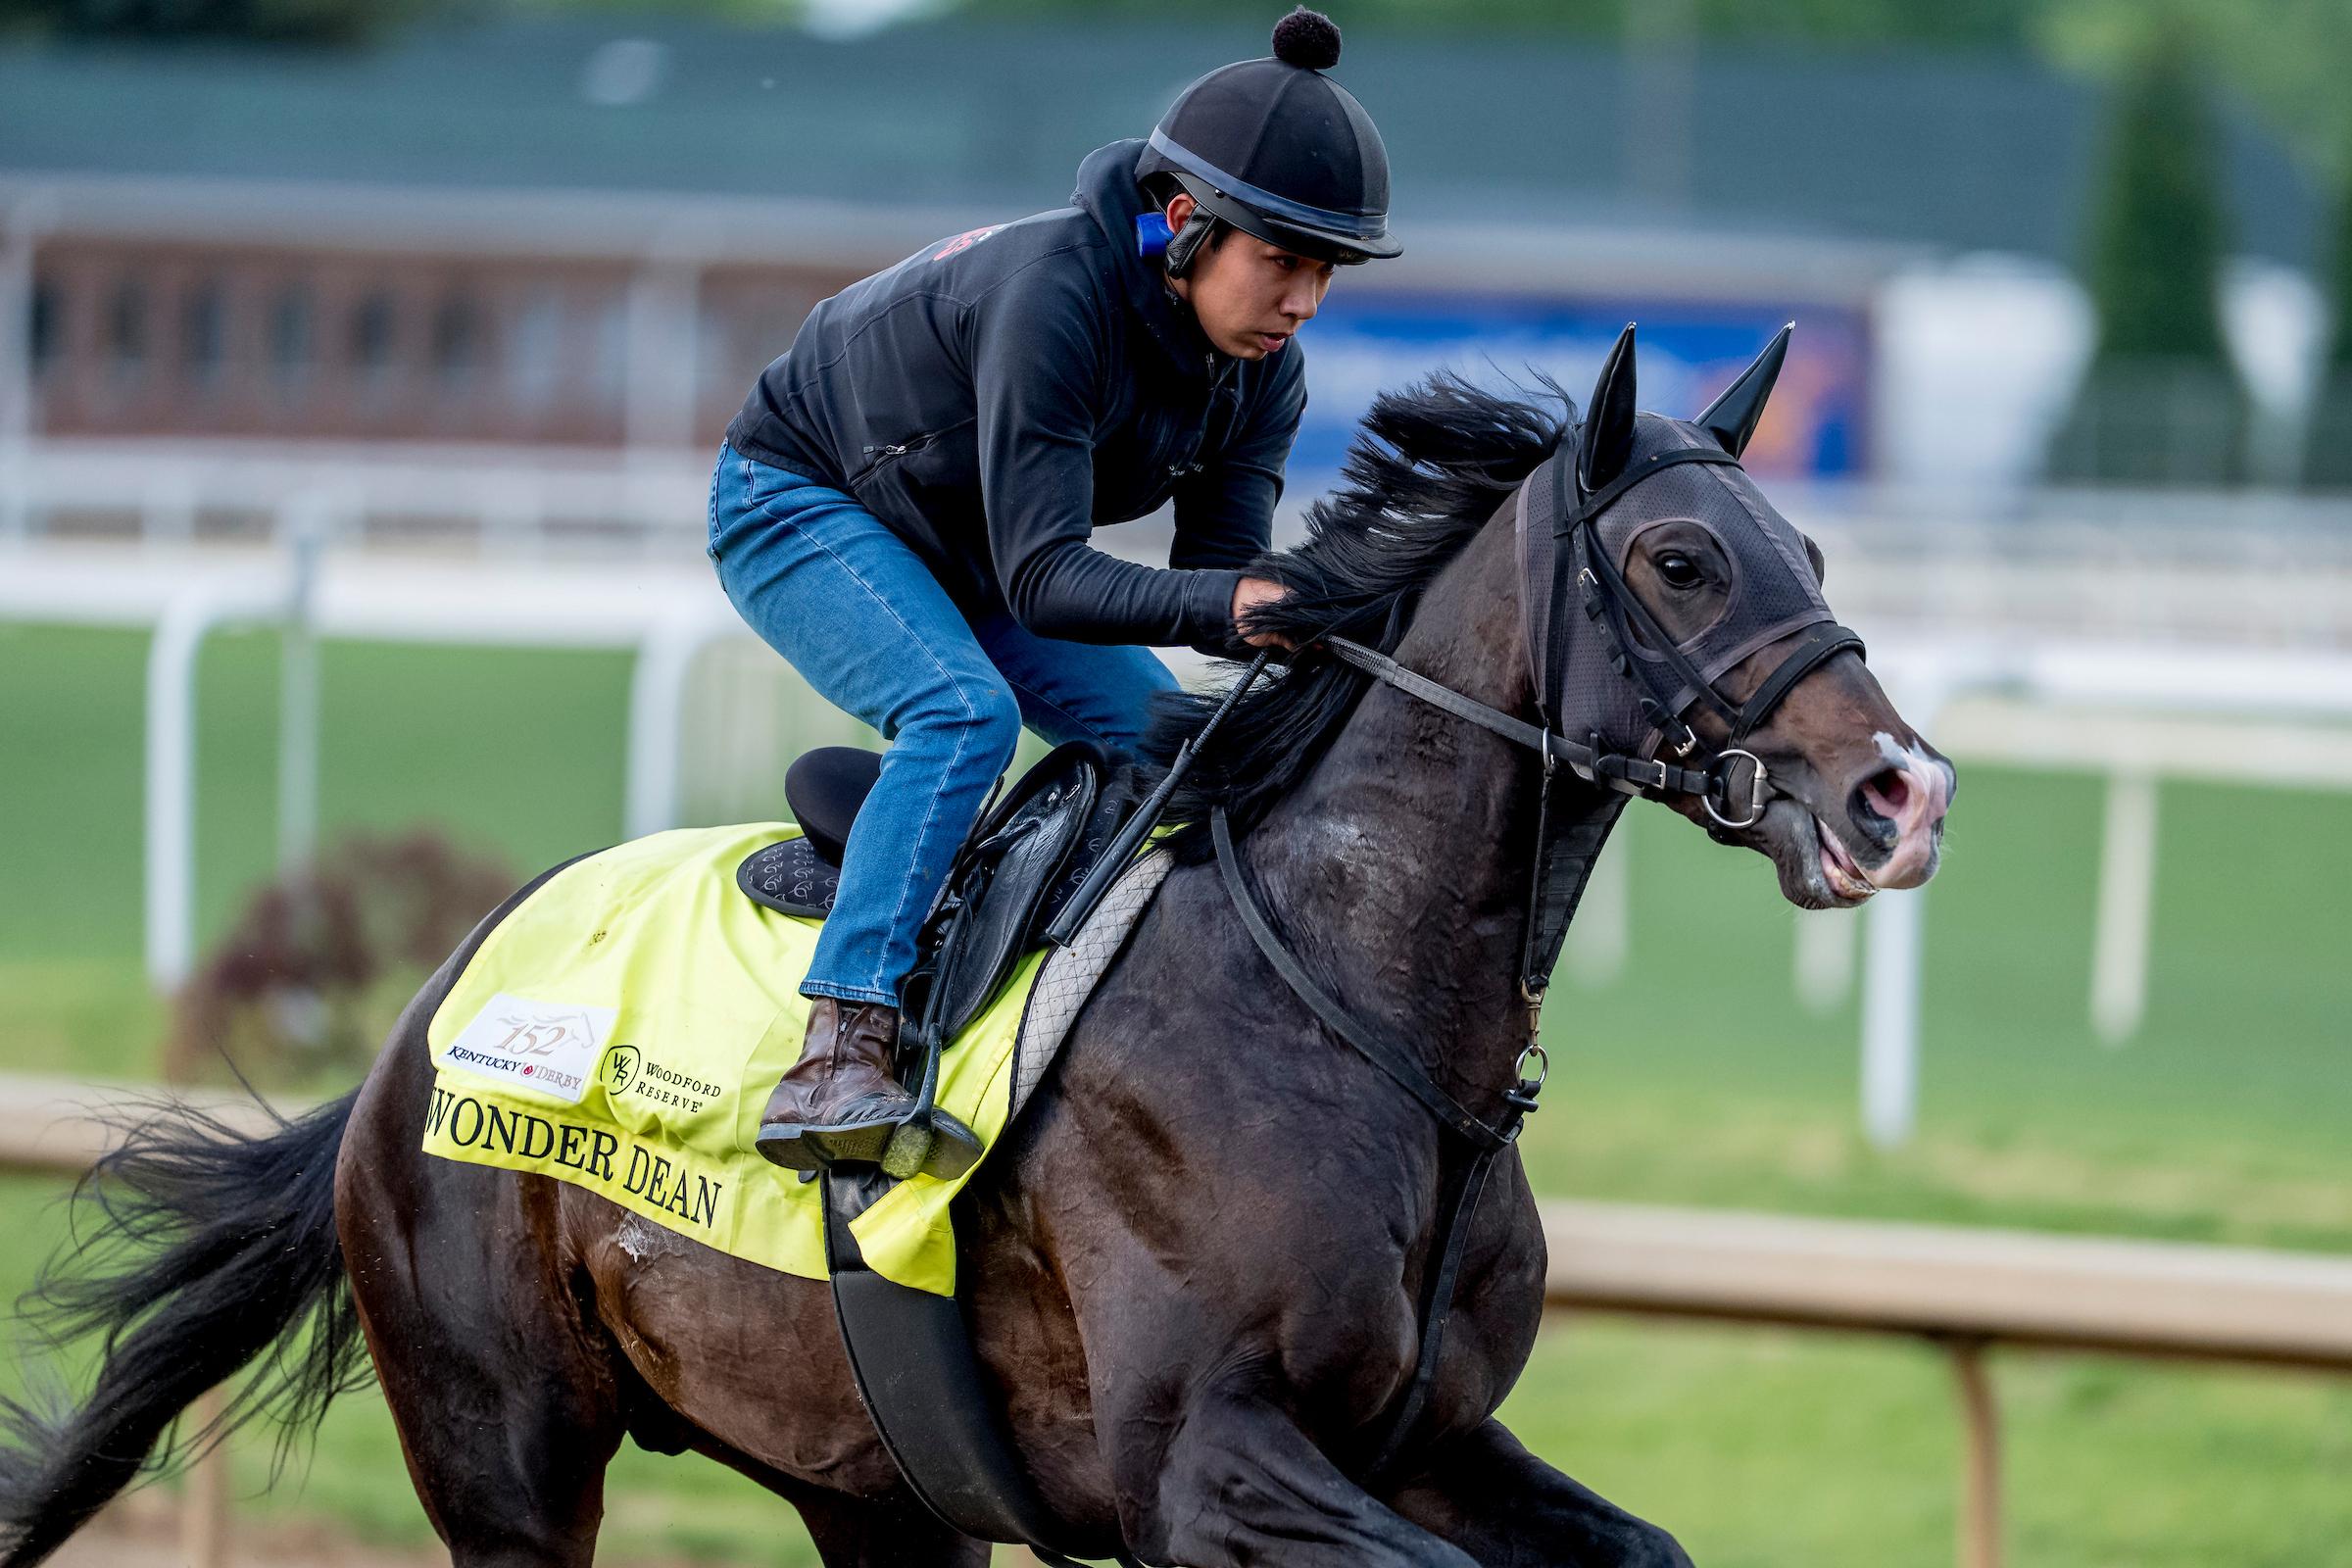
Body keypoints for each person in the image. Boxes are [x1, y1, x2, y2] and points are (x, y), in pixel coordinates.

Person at [709, 6, 1399, 1178]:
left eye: (1325, 269)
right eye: (1281, 260)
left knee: (1167, 746)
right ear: (1186, 226)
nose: (1304, 302)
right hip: (802, 496)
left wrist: (1340, 630)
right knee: (960, 713)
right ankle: (838, 1043)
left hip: (962, 539)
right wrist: (1241, 604)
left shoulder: (1259, 371)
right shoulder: (1056, 300)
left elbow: (1212, 578)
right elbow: (1047, 577)